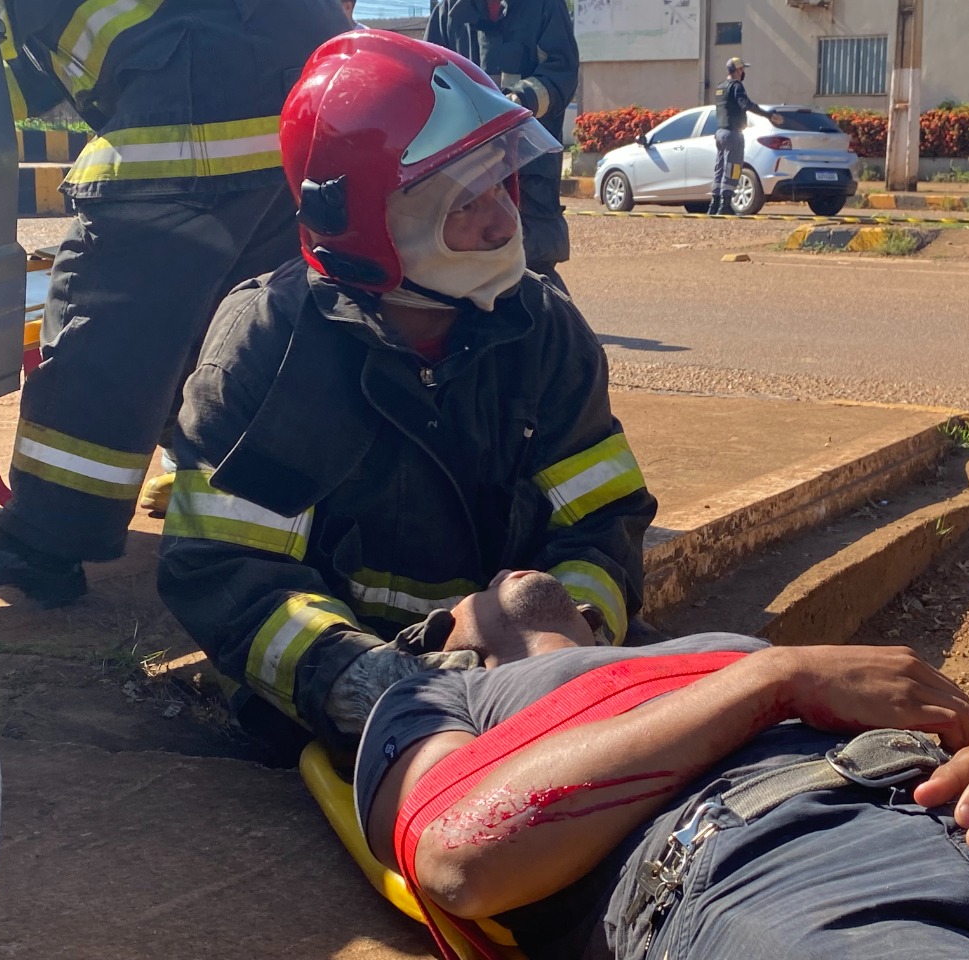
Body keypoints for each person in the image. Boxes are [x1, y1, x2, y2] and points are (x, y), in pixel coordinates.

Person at [156, 33, 656, 757]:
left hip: (525, 672)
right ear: (365, 218)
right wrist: (358, 679)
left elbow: (606, 520)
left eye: (501, 186)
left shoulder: (542, 329)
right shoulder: (271, 342)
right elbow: (228, 570)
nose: (503, 221)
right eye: (465, 201)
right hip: (337, 696)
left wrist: (571, 628)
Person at [356, 569, 969, 960]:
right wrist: (779, 677)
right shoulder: (446, 698)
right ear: (455, 642)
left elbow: (930, 729)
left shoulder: (703, 651)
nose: (512, 571)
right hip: (756, 870)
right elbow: (459, 859)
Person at [0, 0, 349, 607]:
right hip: (311, 105)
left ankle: (47, 542)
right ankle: (246, 504)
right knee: (245, 329)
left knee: (107, 341)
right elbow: (30, 79)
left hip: (186, 111)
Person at [425, 0, 578, 287]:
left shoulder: (544, 6)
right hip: (468, 171)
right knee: (466, 272)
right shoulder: (448, 10)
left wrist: (517, 103)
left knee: (536, 274)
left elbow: (562, 73)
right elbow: (428, 78)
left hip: (529, 165)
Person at [708, 57, 783, 217]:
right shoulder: (737, 86)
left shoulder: (720, 87)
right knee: (733, 168)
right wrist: (768, 115)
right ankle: (725, 205)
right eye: (743, 69)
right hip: (733, 133)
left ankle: (714, 204)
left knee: (720, 168)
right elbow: (745, 104)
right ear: (738, 70)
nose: (744, 73)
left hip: (720, 133)